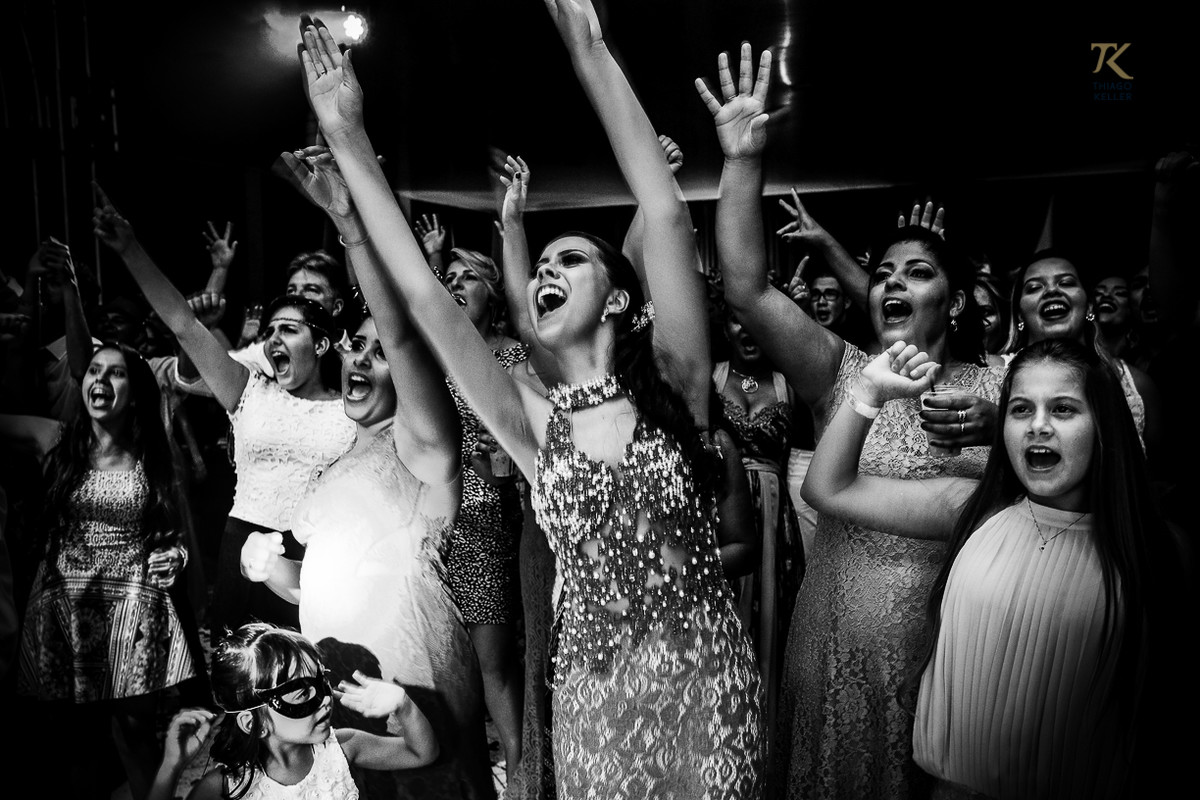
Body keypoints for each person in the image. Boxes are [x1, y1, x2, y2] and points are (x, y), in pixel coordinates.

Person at [296, 2, 764, 795]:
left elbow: (665, 210)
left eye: (571, 259)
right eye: (540, 262)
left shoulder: (678, 382)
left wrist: (587, 44)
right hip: (595, 696)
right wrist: (347, 138)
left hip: (704, 682)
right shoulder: (532, 423)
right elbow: (422, 294)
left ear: (620, 299)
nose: (545, 269)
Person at [700, 42, 1005, 798]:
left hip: (938, 648)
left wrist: (998, 421)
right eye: (888, 271)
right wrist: (741, 163)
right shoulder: (838, 368)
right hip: (828, 640)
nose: (896, 281)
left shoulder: (998, 387)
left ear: (957, 302)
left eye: (921, 272)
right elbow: (744, 288)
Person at [801, 337, 1188, 799]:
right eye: (1020, 410)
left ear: (1104, 425)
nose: (1037, 427)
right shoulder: (977, 509)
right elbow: (828, 488)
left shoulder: (1155, 548)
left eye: (1063, 409)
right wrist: (867, 392)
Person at [243, 141, 495, 799]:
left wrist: (353, 227)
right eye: (354, 345)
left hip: (414, 689)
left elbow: (405, 332)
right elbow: (324, 584)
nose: (360, 358)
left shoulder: (421, 446)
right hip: (338, 691)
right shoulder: (335, 462)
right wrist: (274, 569)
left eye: (378, 353)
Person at [91, 185, 356, 638]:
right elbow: (183, 323)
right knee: (239, 681)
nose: (273, 340)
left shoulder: (352, 407)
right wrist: (130, 249)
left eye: (289, 330)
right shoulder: (249, 388)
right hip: (241, 543)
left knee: (309, 678)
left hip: (317, 554)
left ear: (324, 343)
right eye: (270, 331)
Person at [10, 341, 196, 800]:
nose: (100, 380)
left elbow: (178, 537)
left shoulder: (154, 454)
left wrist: (177, 558)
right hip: (66, 609)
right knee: (75, 741)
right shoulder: (55, 439)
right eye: (94, 371)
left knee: (135, 732)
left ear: (134, 392)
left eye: (115, 374)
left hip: (134, 607)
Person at [149, 623, 439, 800]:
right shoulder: (225, 788)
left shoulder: (343, 747)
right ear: (253, 722)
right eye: (302, 693)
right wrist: (170, 767)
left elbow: (421, 753)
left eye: (322, 683)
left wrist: (403, 705)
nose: (325, 700)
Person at [440, 246, 527, 782]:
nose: (455, 283)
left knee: (493, 658)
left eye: (467, 275)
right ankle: (470, 773)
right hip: (434, 514)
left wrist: (496, 465)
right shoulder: (435, 351)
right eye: (447, 276)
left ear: (491, 291)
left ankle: (519, 775)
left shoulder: (514, 355)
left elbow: (529, 435)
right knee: (452, 658)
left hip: (489, 511)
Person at [712, 308, 802, 757]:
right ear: (722, 326)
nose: (745, 330)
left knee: (773, 627)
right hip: (722, 514)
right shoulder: (708, 377)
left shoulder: (790, 383)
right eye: (735, 320)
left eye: (755, 320)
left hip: (775, 525)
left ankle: (765, 749)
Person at [1003, 250, 1161, 461]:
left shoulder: (1136, 384)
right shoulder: (994, 377)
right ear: (1020, 314)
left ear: (1088, 306)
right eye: (1034, 287)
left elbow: (1161, 477)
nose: (1051, 291)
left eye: (1066, 283)